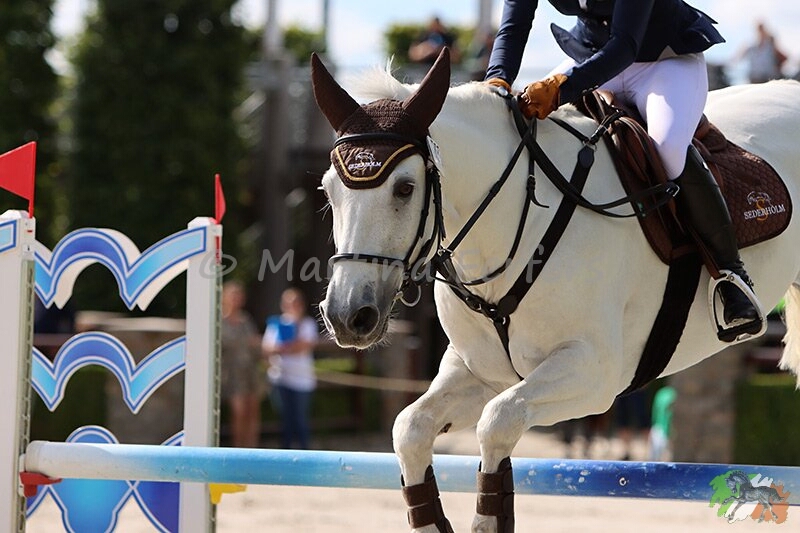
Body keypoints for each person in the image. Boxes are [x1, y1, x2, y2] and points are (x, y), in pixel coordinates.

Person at [484, 0, 762, 339]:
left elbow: (625, 46)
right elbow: (513, 27)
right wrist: (497, 81)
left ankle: (732, 276)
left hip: (665, 62)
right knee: (523, 126)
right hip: (592, 57)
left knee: (668, 150)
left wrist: (561, 89)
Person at [262, 287, 319, 449]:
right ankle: (285, 453)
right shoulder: (276, 324)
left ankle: (305, 453)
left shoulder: (307, 324)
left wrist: (282, 348)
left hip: (302, 380)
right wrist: (288, 348)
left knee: (301, 419)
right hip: (280, 379)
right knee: (285, 420)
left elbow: (304, 346)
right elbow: (266, 349)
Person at [220, 280, 265, 448]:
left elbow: (254, 345)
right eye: (233, 296)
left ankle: (252, 449)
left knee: (253, 411)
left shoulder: (246, 320)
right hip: (232, 374)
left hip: (250, 371)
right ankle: (238, 449)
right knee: (238, 412)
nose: (236, 299)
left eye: (238, 296)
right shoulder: (220, 322)